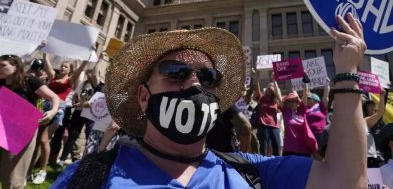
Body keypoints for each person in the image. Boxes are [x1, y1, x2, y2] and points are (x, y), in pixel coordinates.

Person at [53, 13, 367, 188]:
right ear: (144, 96)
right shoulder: (87, 178)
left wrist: (347, 72)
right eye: (175, 72)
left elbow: (345, 181)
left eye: (208, 79)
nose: (193, 83)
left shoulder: (252, 172)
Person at [0, 54, 60, 189]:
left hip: (22, 132)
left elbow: (54, 97)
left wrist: (52, 112)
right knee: (4, 172)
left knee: (12, 176)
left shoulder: (30, 81)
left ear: (15, 66)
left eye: (3, 65)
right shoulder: (1, 83)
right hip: (3, 128)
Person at [30, 54, 87, 185]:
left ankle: (42, 171)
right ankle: (29, 170)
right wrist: (45, 52)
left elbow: (80, 69)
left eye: (66, 66)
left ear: (70, 70)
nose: (62, 67)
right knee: (36, 140)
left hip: (58, 111)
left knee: (44, 139)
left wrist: (87, 57)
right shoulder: (53, 77)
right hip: (44, 109)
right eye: (62, 65)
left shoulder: (70, 81)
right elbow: (47, 62)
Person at [57, 67, 105, 165]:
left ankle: (87, 161)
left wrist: (82, 104)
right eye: (88, 73)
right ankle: (62, 160)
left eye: (90, 73)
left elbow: (95, 102)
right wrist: (76, 100)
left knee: (90, 137)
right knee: (72, 135)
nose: (89, 75)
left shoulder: (100, 86)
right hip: (79, 112)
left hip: (91, 115)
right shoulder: (83, 84)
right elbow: (76, 96)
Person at [281, 82, 317, 157]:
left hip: (303, 150)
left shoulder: (302, 112)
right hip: (289, 150)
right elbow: (278, 96)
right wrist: (274, 81)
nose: (291, 103)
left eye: (293, 101)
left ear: (297, 102)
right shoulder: (286, 112)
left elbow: (305, 95)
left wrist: (305, 81)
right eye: (289, 101)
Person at [253, 69, 283, 156]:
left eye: (273, 87)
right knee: (264, 150)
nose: (271, 87)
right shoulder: (262, 98)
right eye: (270, 86)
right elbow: (256, 87)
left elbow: (280, 98)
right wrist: (256, 77)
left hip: (274, 127)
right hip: (263, 127)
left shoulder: (276, 101)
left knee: (277, 149)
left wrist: (274, 81)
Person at [305, 77, 330, 144]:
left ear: (315, 100)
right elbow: (306, 93)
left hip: (320, 134)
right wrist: (306, 82)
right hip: (308, 134)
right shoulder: (307, 108)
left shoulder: (321, 106)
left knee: (320, 152)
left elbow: (325, 96)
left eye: (309, 99)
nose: (307, 100)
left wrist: (327, 84)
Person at [365, 90, 386, 167]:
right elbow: (380, 112)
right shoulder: (366, 120)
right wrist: (382, 96)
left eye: (374, 105)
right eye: (370, 105)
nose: (373, 107)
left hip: (382, 154)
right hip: (371, 157)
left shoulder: (380, 122)